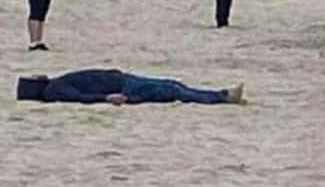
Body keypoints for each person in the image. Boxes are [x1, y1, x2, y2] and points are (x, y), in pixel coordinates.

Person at [16, 70, 243, 105]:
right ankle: (221, 97)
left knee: (173, 86)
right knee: (173, 91)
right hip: (122, 87)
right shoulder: (53, 90)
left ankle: (220, 94)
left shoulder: (54, 84)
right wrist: (106, 97)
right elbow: (81, 97)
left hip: (121, 80)